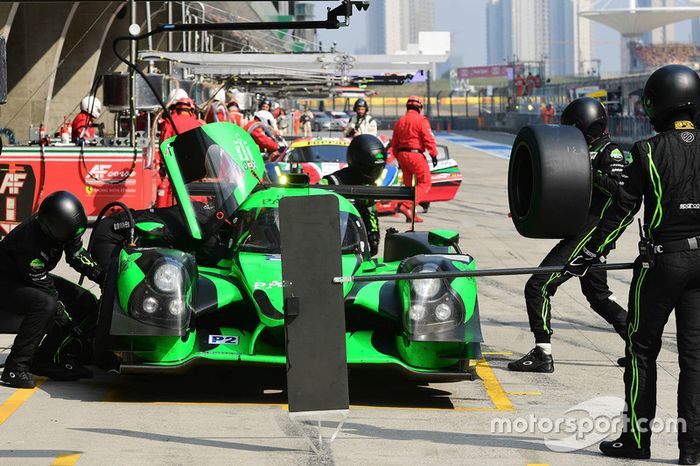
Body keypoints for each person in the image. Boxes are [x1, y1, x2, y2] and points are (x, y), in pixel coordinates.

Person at [564, 65, 700, 464]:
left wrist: (588, 254)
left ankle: (637, 442)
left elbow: (623, 210)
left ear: (658, 103)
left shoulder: (648, 150)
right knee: (695, 358)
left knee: (642, 352)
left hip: (663, 263)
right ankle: (691, 451)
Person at [508, 97, 629, 374]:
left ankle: (542, 353)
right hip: (585, 230)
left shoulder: (610, 153)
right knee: (598, 297)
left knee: (538, 285)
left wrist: (589, 172)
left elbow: (621, 194)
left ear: (582, 125)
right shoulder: (585, 150)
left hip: (591, 233)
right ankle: (638, 346)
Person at [0, 191, 103, 388]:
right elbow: (49, 294)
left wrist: (102, 276)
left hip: (27, 277)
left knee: (86, 300)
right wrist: (70, 324)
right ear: (52, 229)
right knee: (45, 305)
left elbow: (76, 254)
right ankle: (15, 369)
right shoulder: (29, 245)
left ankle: (47, 359)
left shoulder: (65, 228)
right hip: (6, 283)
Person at [321, 134, 387, 257]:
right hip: (331, 244)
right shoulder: (332, 182)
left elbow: (371, 212)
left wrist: (374, 236)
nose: (374, 174)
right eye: (371, 169)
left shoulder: (369, 187)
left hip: (356, 246)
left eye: (378, 170)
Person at [390, 96, 438, 223]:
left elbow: (394, 142)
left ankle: (410, 214)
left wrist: (398, 157)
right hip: (415, 154)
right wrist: (433, 154)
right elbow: (428, 138)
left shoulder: (400, 121)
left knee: (408, 186)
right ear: (419, 108)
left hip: (402, 155)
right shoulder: (421, 120)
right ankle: (406, 206)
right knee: (424, 183)